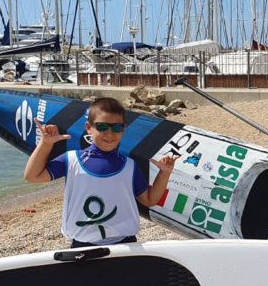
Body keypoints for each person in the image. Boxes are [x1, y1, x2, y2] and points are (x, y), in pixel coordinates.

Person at [23, 97, 178, 247]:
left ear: (123, 129)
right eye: (102, 127)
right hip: (83, 246)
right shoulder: (71, 160)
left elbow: (149, 200)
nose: (110, 134)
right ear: (89, 127)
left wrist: (164, 173)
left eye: (117, 128)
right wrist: (45, 144)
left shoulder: (130, 166)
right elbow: (32, 176)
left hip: (125, 245)